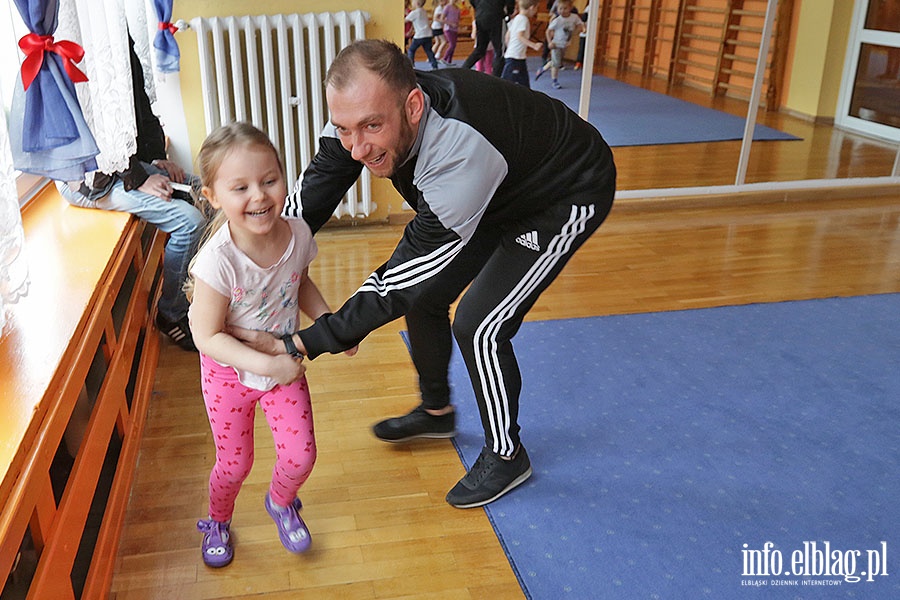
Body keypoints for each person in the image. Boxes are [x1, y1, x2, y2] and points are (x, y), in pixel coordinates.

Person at [234, 39, 616, 509]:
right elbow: (311, 197)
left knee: (480, 326)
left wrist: (307, 341)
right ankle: (437, 410)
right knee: (430, 298)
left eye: (372, 127)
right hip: (497, 187)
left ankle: (506, 454)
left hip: (561, 193)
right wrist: (257, 258)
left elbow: (400, 280)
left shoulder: (458, 152)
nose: (357, 148)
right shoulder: (357, 117)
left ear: (413, 106)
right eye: (345, 130)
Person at [187, 122, 354, 567]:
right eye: (240, 187)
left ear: (284, 176)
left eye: (269, 180)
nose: (259, 196)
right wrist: (270, 366)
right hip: (228, 377)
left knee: (301, 455)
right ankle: (218, 519)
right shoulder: (217, 262)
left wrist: (329, 324)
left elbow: (298, 282)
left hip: (284, 365)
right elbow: (205, 336)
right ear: (213, 196)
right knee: (234, 465)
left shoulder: (297, 234)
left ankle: (281, 503)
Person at [57, 36, 205, 352]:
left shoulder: (114, 30)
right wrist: (138, 179)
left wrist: (152, 159)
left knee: (200, 189)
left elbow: (138, 104)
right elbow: (95, 125)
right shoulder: (80, 34)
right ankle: (172, 313)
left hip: (124, 166)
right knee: (190, 222)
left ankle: (203, 293)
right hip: (91, 181)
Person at [535, 0, 584, 89]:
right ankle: (554, 81)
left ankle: (542, 69)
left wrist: (579, 30)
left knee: (555, 62)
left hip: (565, 44)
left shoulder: (574, 17)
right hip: (556, 44)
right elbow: (548, 31)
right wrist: (550, 42)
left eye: (565, 8)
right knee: (556, 64)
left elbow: (580, 25)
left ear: (570, 8)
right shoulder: (557, 20)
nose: (562, 11)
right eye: (560, 8)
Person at [461, 0, 516, 76]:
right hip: (496, 16)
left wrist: (479, 8)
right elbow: (510, 3)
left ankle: (462, 70)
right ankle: (495, 80)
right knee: (500, 52)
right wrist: (509, 11)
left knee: (479, 49)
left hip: (480, 15)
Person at [501, 0, 543, 87]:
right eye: (536, 9)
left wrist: (509, 48)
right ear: (532, 8)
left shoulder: (516, 18)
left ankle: (526, 98)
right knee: (507, 82)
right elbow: (520, 36)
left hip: (517, 56)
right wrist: (534, 45)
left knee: (523, 82)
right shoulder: (523, 19)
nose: (536, 11)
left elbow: (507, 36)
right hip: (515, 57)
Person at [406, 0, 440, 70]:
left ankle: (411, 66)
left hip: (419, 35)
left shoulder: (415, 12)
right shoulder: (423, 11)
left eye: (413, 1)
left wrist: (405, 13)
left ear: (417, 3)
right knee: (429, 51)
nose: (412, 3)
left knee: (411, 50)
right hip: (428, 34)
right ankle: (434, 66)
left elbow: (405, 20)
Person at [441, 0, 461, 65]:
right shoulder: (447, 7)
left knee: (454, 45)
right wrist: (450, 24)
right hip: (448, 28)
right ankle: (444, 58)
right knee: (452, 44)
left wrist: (458, 25)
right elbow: (442, 19)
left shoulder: (457, 8)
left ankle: (449, 61)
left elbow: (458, 18)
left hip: (455, 29)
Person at [431, 0, 449, 66]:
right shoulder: (439, 8)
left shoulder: (440, 8)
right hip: (437, 27)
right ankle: (437, 55)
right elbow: (435, 18)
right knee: (444, 41)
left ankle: (431, 56)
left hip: (436, 26)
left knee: (437, 42)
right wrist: (444, 21)